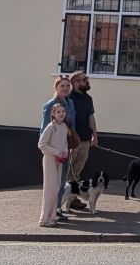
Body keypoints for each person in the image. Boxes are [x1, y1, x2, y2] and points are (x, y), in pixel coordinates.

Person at [41, 77, 77, 221]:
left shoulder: (70, 102)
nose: (65, 88)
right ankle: (49, 214)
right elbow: (45, 129)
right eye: (62, 86)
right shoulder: (50, 105)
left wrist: (71, 145)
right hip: (53, 148)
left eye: (68, 86)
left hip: (65, 146)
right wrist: (51, 150)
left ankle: (57, 209)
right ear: (56, 87)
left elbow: (70, 126)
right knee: (52, 184)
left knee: (62, 180)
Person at [65, 70, 98, 210]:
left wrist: (95, 136)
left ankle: (71, 200)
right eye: (84, 79)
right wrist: (71, 140)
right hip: (72, 142)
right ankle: (61, 201)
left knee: (76, 172)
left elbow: (91, 117)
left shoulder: (88, 98)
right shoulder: (68, 98)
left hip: (85, 141)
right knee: (67, 172)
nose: (87, 81)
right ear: (75, 83)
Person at [37, 102, 70, 227]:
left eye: (63, 111)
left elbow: (65, 143)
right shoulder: (51, 127)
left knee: (56, 189)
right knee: (50, 189)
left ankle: (51, 218)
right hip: (50, 159)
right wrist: (56, 152)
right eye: (58, 112)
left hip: (59, 160)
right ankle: (44, 219)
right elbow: (41, 144)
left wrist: (65, 152)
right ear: (53, 114)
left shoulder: (64, 127)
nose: (61, 114)